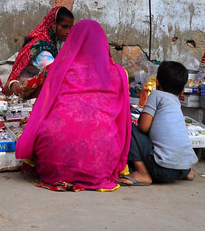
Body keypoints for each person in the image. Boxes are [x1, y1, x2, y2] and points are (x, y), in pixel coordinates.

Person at [15, 20, 131, 191]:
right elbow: (123, 120)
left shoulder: (57, 69)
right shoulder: (119, 73)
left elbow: (43, 108)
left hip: (53, 161)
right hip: (100, 162)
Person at [120, 61, 197, 186]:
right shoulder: (176, 103)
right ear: (183, 90)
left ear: (157, 82)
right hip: (184, 168)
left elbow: (143, 127)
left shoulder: (156, 96)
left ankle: (142, 172)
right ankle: (187, 172)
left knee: (128, 126)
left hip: (162, 169)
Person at [5, 6, 74, 99]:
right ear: (53, 25)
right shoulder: (41, 48)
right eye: (64, 27)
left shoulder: (57, 43)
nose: (68, 32)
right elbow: (56, 72)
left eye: (70, 28)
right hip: (25, 93)